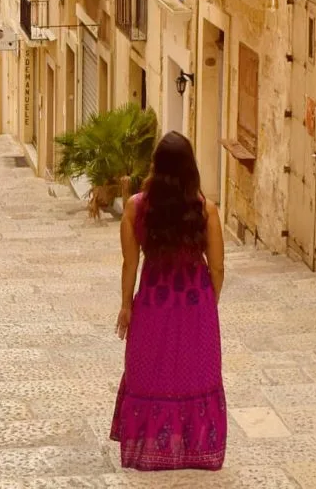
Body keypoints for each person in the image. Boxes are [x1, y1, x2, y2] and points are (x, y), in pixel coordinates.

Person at [110, 132, 226, 472]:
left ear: (156, 166)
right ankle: (194, 448)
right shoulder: (206, 210)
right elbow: (217, 266)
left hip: (152, 301)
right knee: (195, 372)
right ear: (191, 168)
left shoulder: (136, 208)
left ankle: (152, 445)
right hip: (196, 300)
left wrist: (126, 306)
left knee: (149, 369)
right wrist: (208, 302)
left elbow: (129, 264)